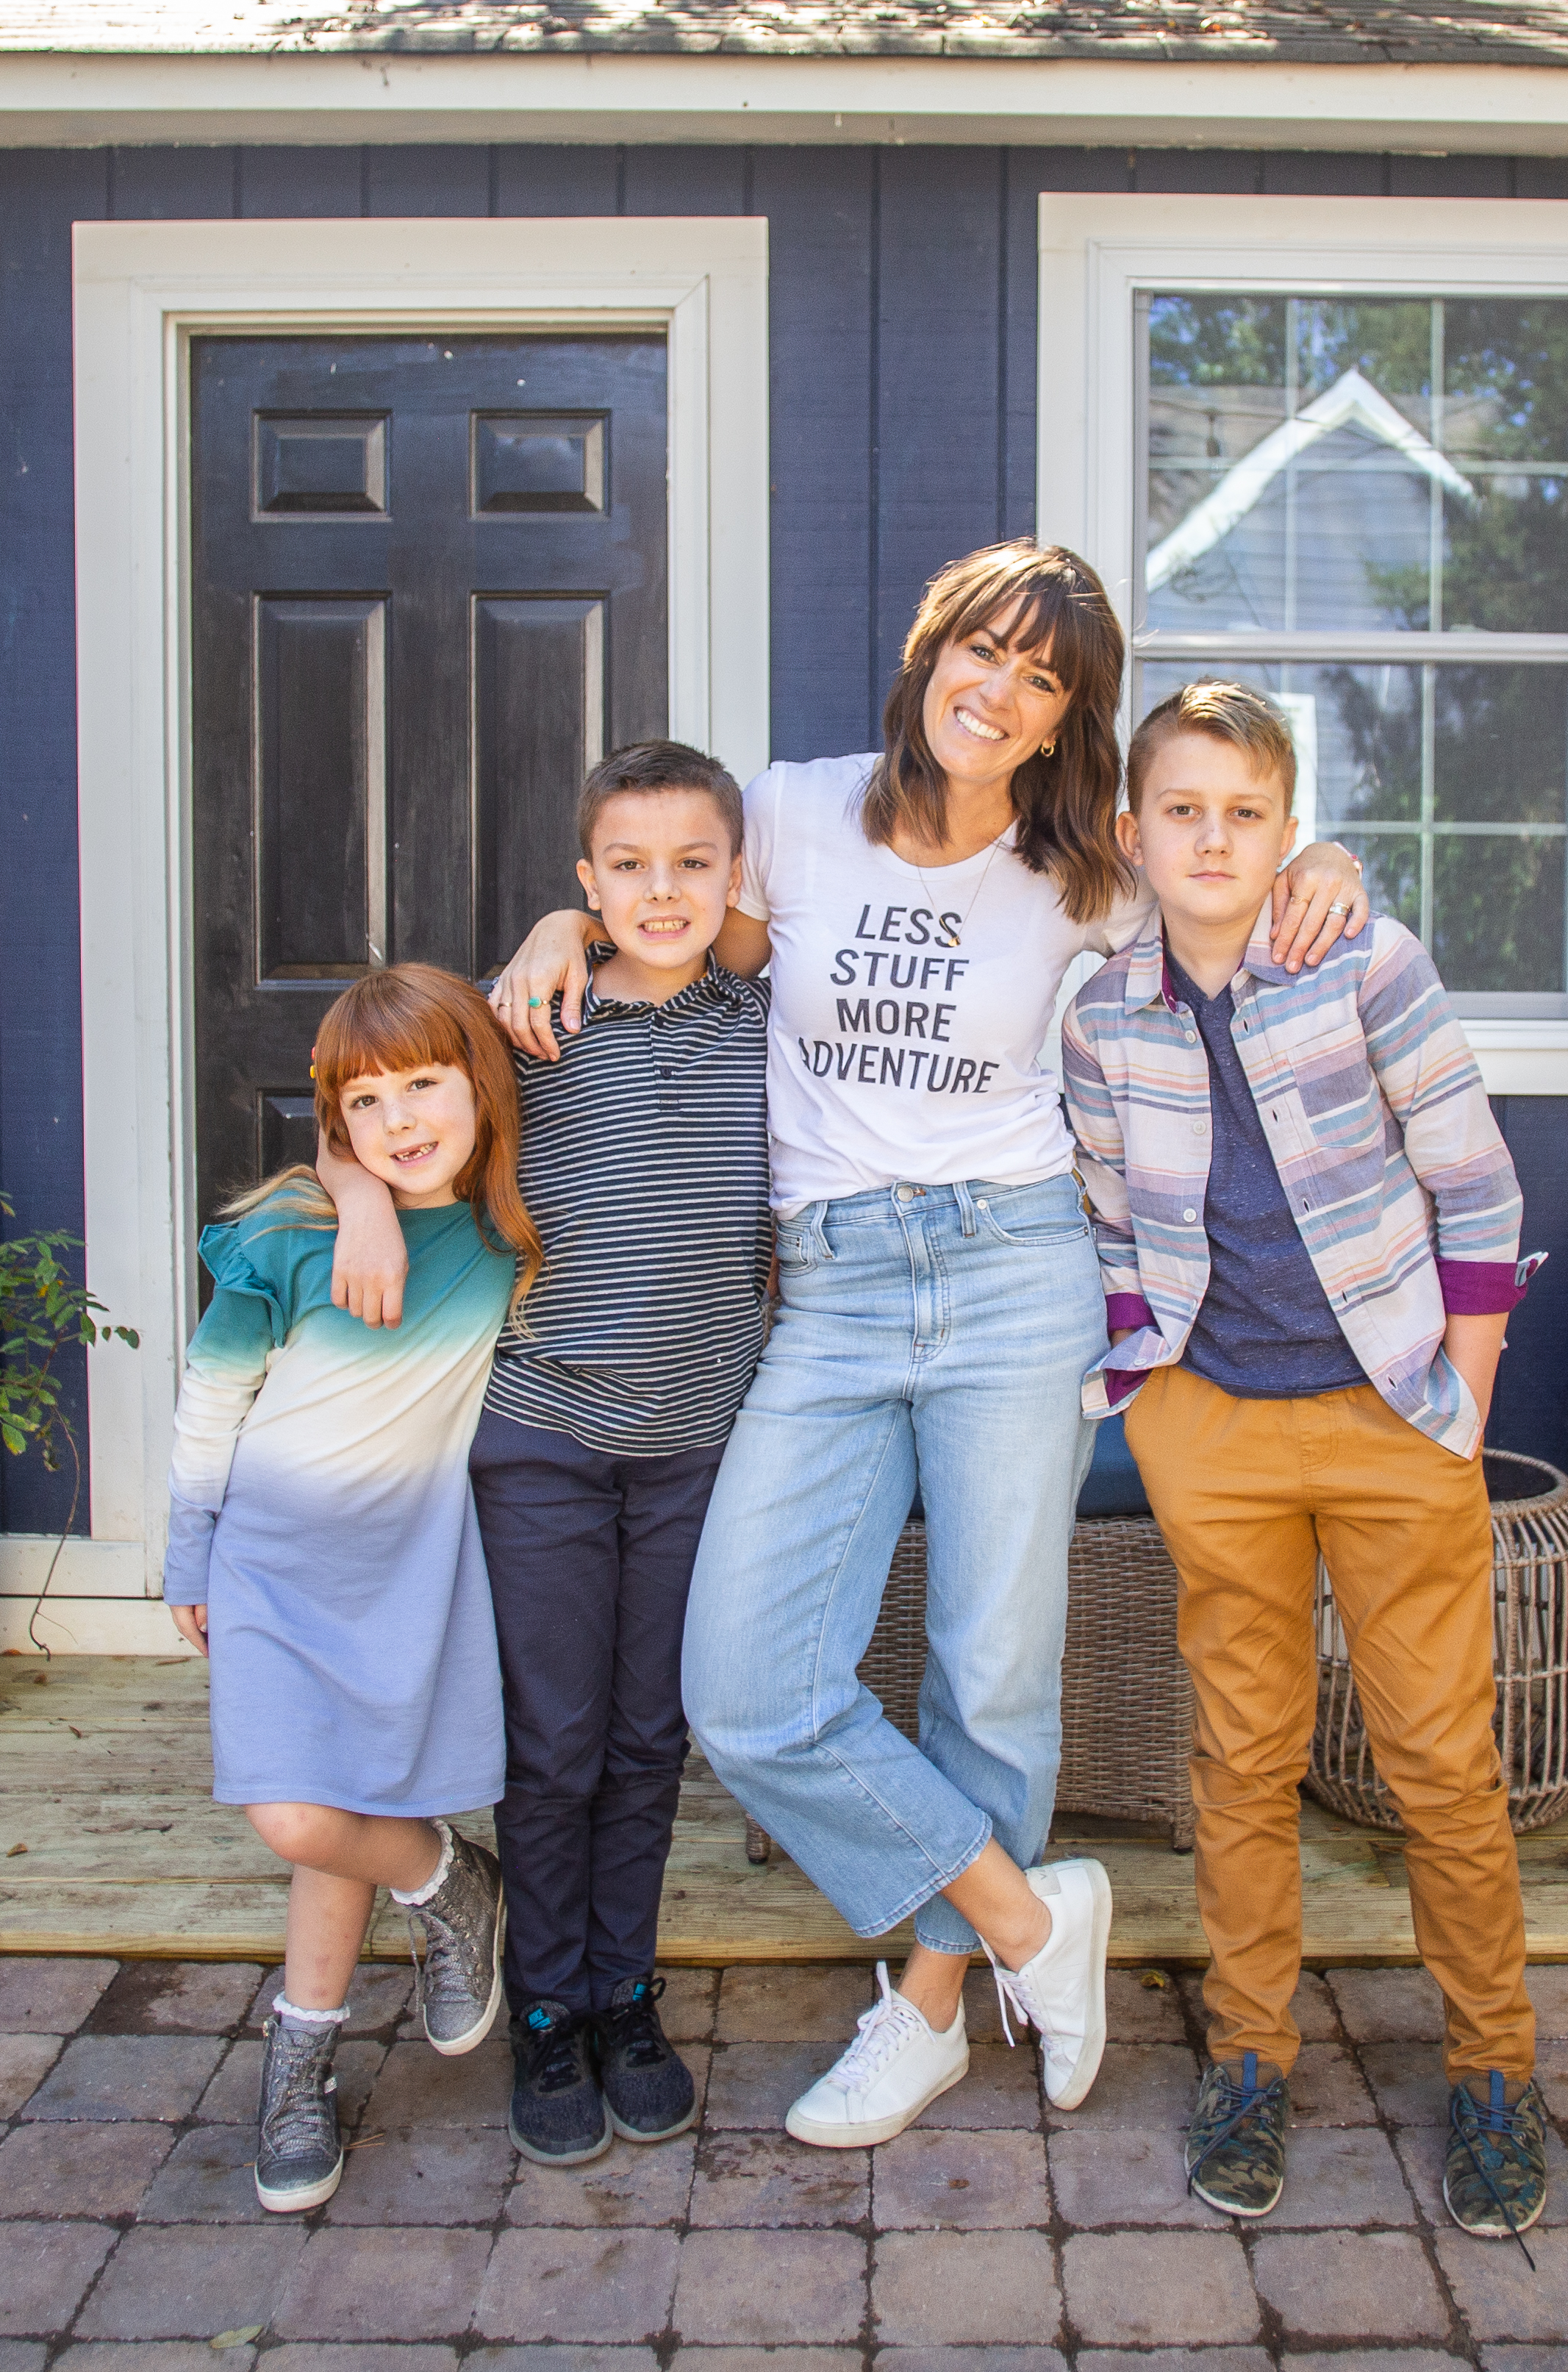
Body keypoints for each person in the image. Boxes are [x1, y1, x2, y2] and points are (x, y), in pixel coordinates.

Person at [464, 541, 1372, 2151]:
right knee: (741, 1687)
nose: (1002, 692)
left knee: (991, 1675)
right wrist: (556, 920)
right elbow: (660, 920)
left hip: (1017, 1268)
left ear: (1061, 720)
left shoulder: (1082, 860)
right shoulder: (793, 811)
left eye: (1044, 680)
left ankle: (932, 2011)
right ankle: (1031, 1923)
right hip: (827, 1288)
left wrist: (1338, 860)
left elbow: (1223, 866)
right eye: (986, 651)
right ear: (930, 648)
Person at [1058, 678, 1554, 2238]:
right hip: (1214, 1421)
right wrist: (1148, 1379)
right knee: (1243, 1753)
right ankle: (1251, 2055)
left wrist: (1462, 1396)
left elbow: (1475, 1186)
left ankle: (1493, 2067)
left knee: (1438, 1760)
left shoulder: (1365, 964)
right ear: (1133, 832)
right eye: (1183, 811)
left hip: (1396, 1410)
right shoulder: (1100, 1012)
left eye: (1247, 812)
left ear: (1289, 830)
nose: (1213, 839)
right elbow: (1105, 1211)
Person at [162, 964, 535, 2216]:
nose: (400, 1121)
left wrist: (375, 1185)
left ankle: (301, 2064)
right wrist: (186, 1545)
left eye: (425, 1087)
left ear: (478, 1085)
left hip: (407, 1567)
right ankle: (450, 1881)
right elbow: (214, 1399)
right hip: (268, 1561)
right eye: (366, 1105)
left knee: (341, 1798)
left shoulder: (505, 1235)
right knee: (293, 1813)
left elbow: (534, 1029)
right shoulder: (289, 1233)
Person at [463, 742, 773, 2165]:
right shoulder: (530, 1018)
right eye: (628, 868)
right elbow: (377, 1105)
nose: (663, 891)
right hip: (542, 1433)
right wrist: (346, 1194)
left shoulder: (768, 1019)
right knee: (559, 1740)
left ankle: (623, 1993)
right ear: (586, 883)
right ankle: (544, 2013)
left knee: (653, 1737)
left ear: (733, 875)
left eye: (693, 863)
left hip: (698, 1442)